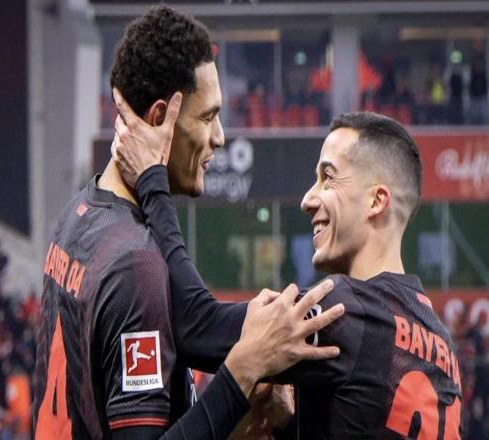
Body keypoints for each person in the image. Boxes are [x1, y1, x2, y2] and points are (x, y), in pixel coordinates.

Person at [32, 6, 344, 440]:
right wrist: (238, 378)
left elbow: (196, 329)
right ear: (159, 118)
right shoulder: (135, 266)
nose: (220, 136)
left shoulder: (76, 216)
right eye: (207, 116)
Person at [113, 94, 464, 437]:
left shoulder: (341, 312)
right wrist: (287, 427)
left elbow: (197, 327)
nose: (308, 199)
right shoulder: (442, 345)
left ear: (376, 200)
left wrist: (152, 182)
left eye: (328, 177)